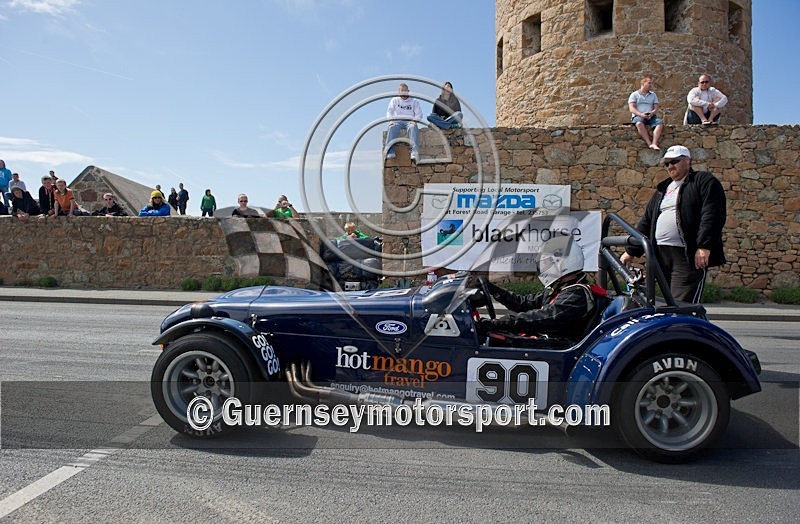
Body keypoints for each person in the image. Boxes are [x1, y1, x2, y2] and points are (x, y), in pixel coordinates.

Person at [621, 145, 727, 303]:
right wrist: (630, 251)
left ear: (687, 161)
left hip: (685, 254)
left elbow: (711, 214)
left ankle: (686, 327)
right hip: (660, 255)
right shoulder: (663, 188)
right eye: (666, 164)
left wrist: (704, 246)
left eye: (674, 162)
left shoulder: (703, 181)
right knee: (660, 303)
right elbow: (647, 221)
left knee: (682, 304)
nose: (670, 166)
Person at [477, 236, 603, 340]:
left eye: (547, 263)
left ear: (562, 263)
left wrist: (499, 323)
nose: (543, 267)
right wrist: (491, 288)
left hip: (555, 351)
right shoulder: (561, 290)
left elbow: (543, 317)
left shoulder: (576, 295)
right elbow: (523, 303)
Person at [386, 83, 423, 162]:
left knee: (413, 127)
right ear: (399, 92)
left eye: (405, 91)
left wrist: (415, 121)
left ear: (408, 91)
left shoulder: (414, 101)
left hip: (410, 120)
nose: (403, 92)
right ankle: (390, 151)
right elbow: (389, 112)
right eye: (402, 91)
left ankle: (414, 151)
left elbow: (419, 114)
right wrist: (391, 120)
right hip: (398, 120)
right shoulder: (394, 100)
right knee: (392, 127)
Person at [627, 76, 664, 150]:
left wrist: (652, 113)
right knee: (639, 124)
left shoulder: (653, 95)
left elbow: (656, 107)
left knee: (659, 123)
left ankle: (654, 143)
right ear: (643, 84)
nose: (651, 85)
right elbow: (632, 108)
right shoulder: (634, 95)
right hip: (638, 115)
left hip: (650, 116)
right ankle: (649, 143)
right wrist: (641, 114)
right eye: (649, 83)